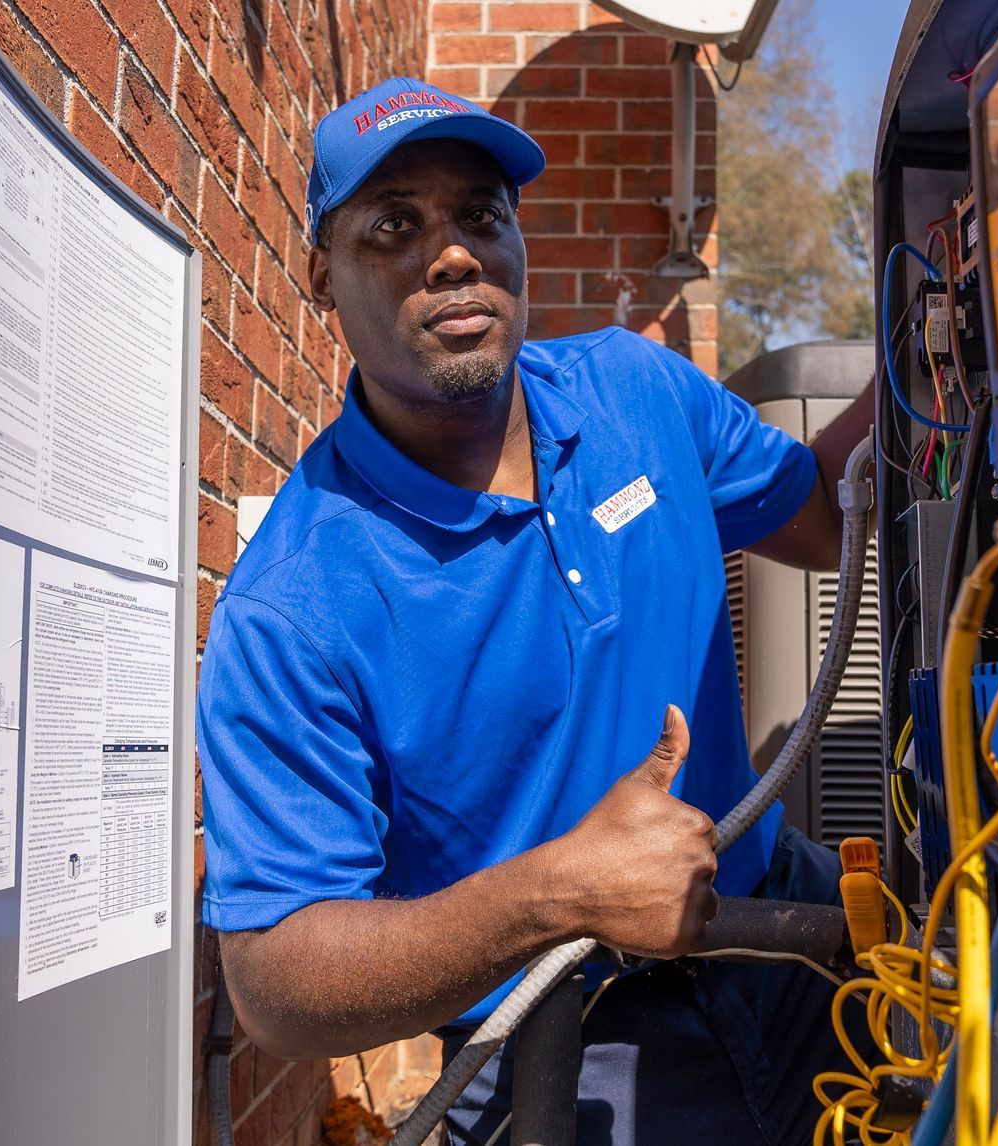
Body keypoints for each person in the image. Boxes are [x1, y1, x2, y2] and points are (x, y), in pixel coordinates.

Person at [197, 77, 878, 1144]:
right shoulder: (296, 606)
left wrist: (958, 305)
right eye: (395, 225)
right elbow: (276, 983)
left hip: (788, 948)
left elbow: (833, 518)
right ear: (323, 275)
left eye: (480, 215)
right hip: (565, 1044)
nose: (455, 252)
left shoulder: (637, 392)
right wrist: (555, 895)